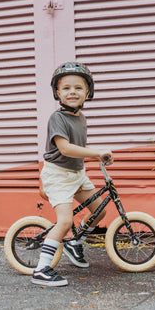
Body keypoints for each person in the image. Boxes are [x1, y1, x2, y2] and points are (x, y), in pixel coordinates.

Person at [31, 62, 114, 287]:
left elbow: (77, 150)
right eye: (66, 88)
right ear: (57, 93)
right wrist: (97, 153)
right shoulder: (57, 118)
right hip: (57, 175)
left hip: (76, 173)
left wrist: (96, 157)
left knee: (100, 210)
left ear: (88, 92)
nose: (72, 92)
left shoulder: (81, 117)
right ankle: (42, 270)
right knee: (65, 221)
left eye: (78, 88)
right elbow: (65, 149)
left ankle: (75, 243)